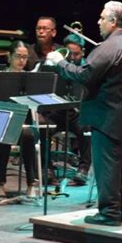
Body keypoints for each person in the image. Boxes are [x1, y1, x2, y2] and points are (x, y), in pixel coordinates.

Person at [45, 1, 122, 226]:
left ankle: (110, 213)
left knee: (107, 165)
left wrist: (60, 62)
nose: (98, 22)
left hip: (108, 116)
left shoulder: (109, 48)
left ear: (113, 22)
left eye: (102, 18)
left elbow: (84, 75)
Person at [40, 34, 92, 185]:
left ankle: (83, 168)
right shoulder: (57, 65)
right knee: (43, 126)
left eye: (76, 54)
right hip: (56, 112)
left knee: (86, 126)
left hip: (77, 113)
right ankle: (46, 168)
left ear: (82, 52)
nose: (72, 57)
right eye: (70, 54)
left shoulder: (87, 68)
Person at [0, 41, 38, 197]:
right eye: (18, 56)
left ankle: (31, 184)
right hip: (2, 120)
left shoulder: (30, 79)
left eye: (25, 57)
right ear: (9, 56)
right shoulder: (0, 76)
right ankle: (0, 182)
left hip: (24, 123)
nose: (21, 61)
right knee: (3, 134)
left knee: (27, 135)